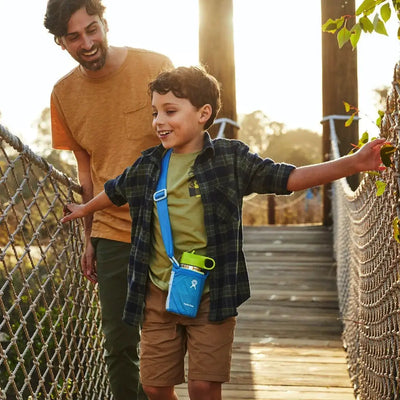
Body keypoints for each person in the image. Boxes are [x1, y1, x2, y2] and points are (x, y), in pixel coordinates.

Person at [61, 65, 386, 400]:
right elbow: (116, 190)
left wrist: (352, 163)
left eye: (170, 111)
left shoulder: (230, 158)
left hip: (211, 292)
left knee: (204, 387)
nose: (159, 121)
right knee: (155, 387)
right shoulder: (148, 165)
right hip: (158, 291)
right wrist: (84, 209)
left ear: (204, 114)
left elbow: (286, 178)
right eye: (155, 112)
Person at [44, 1, 173, 399]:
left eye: (92, 29)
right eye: (74, 36)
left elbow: (186, 142)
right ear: (61, 42)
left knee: (169, 346)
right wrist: (88, 237)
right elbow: (86, 173)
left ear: (105, 23)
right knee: (119, 346)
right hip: (112, 231)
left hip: (172, 226)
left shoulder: (156, 66)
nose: (87, 42)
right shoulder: (63, 95)